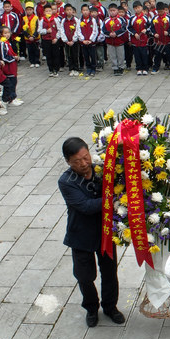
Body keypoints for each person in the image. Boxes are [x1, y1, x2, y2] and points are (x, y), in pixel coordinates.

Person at [57, 137, 123, 327]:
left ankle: (110, 307)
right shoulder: (66, 181)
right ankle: (91, 309)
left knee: (110, 272)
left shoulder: (102, 170)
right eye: (77, 161)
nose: (84, 164)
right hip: (81, 235)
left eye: (86, 157)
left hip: (105, 232)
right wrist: (115, 199)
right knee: (84, 276)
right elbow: (85, 206)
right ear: (68, 162)